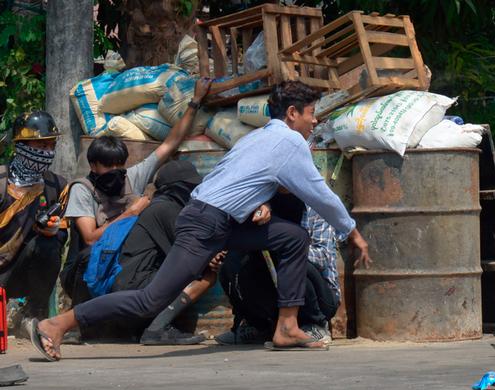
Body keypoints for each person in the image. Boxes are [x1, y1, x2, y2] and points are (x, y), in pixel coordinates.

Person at [28, 80, 372, 361]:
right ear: (293, 113)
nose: (314, 122)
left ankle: (286, 326)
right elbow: (318, 192)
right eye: (311, 114)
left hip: (219, 221)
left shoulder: (256, 137)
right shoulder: (289, 142)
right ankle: (58, 323)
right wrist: (352, 232)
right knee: (150, 299)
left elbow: (245, 181)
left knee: (292, 237)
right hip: (206, 223)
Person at [59, 78, 213, 306]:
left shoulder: (132, 176)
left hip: (125, 261)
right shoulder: (82, 189)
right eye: (107, 166)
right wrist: (131, 213)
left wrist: (194, 102)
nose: (115, 171)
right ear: (93, 166)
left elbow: (169, 144)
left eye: (119, 165)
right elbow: (90, 238)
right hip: (90, 267)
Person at [111, 160, 223, 345]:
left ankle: (151, 327)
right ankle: (156, 330)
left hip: (131, 283)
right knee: (206, 278)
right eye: (189, 187)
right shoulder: (166, 209)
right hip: (135, 283)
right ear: (177, 188)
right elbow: (191, 253)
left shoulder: (161, 205)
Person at [216, 205, 340, 345]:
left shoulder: (317, 208)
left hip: (321, 297)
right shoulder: (262, 208)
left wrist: (288, 248)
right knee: (233, 261)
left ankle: (314, 324)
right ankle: (258, 326)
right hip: (277, 290)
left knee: (292, 260)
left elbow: (323, 257)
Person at [0, 111, 67, 322]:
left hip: (26, 269)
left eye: (51, 146)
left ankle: (34, 312)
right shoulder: (1, 182)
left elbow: (63, 234)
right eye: (40, 147)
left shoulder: (57, 186)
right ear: (20, 147)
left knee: (48, 244)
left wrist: (54, 230)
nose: (47, 153)